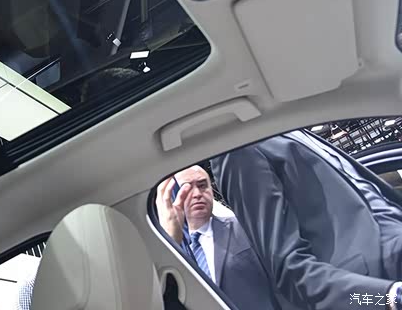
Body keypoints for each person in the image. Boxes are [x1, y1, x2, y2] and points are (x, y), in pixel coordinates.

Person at [211, 130, 402, 310]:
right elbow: (291, 269)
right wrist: (385, 297)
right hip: (378, 277)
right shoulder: (236, 148)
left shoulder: (289, 127)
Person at [156, 165, 282, 310]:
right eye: (187, 188)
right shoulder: (176, 250)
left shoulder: (244, 227)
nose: (196, 194)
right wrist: (171, 241)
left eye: (202, 186)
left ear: (211, 190)